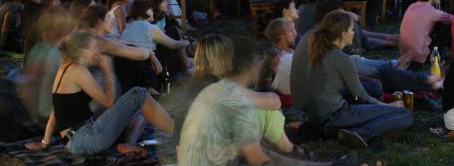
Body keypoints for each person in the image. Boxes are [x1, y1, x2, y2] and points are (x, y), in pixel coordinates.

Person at [25, 30, 174, 157]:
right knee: (138, 94)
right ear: (82, 50)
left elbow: (56, 109)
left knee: (139, 114)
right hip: (84, 139)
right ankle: (179, 133)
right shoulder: (78, 71)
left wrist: (45, 142)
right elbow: (108, 101)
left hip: (75, 140)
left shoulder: (65, 67)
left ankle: (129, 145)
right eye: (94, 48)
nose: (98, 52)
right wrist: (107, 69)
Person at [178, 36, 322, 166]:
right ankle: (289, 148)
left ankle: (289, 151)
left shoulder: (192, 86)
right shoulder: (218, 87)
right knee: (266, 112)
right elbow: (273, 102)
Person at [305, 10, 413, 148]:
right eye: (351, 29)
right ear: (343, 34)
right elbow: (360, 94)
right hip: (334, 117)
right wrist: (387, 106)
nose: (354, 33)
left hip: (317, 117)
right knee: (404, 115)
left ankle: (353, 128)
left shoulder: (320, 51)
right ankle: (360, 133)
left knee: (373, 87)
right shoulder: (341, 58)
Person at [399, 0, 453, 64]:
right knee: (447, 27)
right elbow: (453, 19)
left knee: (440, 23)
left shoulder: (412, 6)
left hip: (405, 54)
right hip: (421, 56)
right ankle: (452, 52)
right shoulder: (431, 12)